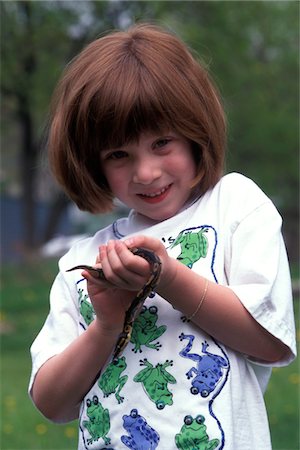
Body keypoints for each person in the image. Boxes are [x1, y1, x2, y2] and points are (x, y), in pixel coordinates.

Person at [29, 24, 296, 449]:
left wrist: (167, 277)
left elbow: (269, 342)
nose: (146, 172)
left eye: (162, 142)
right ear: (92, 164)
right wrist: (107, 324)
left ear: (195, 133)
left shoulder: (235, 205)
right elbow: (52, 404)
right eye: (118, 154)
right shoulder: (83, 260)